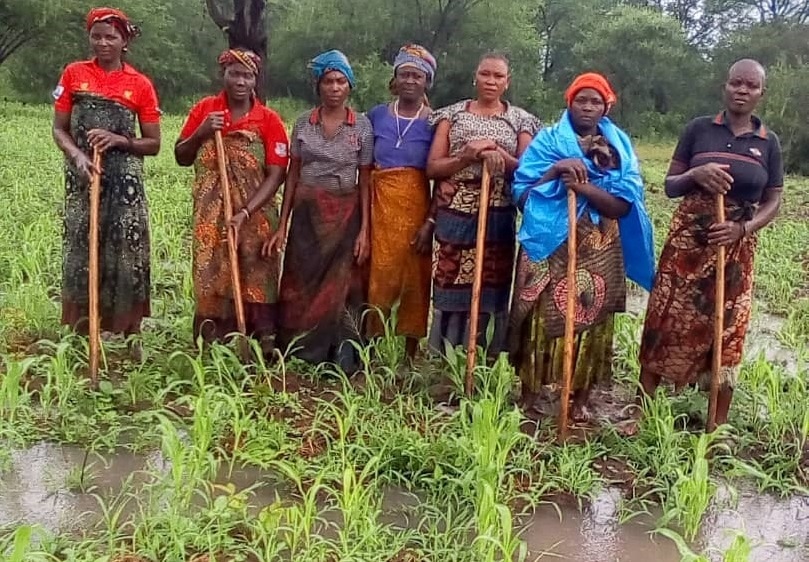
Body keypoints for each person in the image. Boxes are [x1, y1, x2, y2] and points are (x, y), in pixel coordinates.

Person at [636, 59, 783, 429]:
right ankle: (642, 407)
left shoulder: (768, 142)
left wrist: (743, 229)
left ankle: (716, 424)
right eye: (736, 83)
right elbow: (670, 186)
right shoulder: (698, 130)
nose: (742, 90)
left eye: (751, 86)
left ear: (761, 93)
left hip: (734, 248)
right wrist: (695, 174)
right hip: (687, 243)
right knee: (665, 317)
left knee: (727, 327)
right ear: (725, 86)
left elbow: (774, 200)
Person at [509, 73, 655, 422]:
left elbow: (622, 205)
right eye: (581, 100)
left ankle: (580, 398)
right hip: (548, 244)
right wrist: (557, 169)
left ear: (606, 106)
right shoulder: (547, 142)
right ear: (568, 102)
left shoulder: (617, 148)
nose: (587, 107)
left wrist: (585, 189)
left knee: (591, 316)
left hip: (597, 247)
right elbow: (522, 194)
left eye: (596, 101)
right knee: (538, 317)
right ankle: (531, 393)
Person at [52, 7, 161, 358]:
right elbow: (59, 128)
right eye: (96, 35)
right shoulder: (73, 74)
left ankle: (127, 330)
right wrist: (78, 156)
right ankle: (84, 327)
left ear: (124, 41)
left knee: (125, 252)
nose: (103, 43)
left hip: (124, 181)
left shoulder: (140, 84)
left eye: (111, 36)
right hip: (83, 177)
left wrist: (120, 140)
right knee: (82, 248)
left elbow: (153, 143)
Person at [265, 50, 373, 373]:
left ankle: (339, 356)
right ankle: (297, 349)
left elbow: (365, 180)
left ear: (349, 86)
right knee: (299, 280)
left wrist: (365, 230)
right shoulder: (302, 123)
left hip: (345, 213)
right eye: (328, 81)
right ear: (319, 86)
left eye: (341, 81)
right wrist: (283, 224)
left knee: (341, 284)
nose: (335, 88)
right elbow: (292, 175)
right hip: (306, 214)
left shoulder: (362, 127)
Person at [174, 49, 289, 351]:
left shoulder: (268, 119)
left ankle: (262, 336)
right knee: (212, 264)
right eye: (234, 73)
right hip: (211, 210)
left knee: (257, 265)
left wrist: (246, 212)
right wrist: (201, 133)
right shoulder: (205, 110)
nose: (240, 81)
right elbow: (181, 156)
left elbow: (277, 174)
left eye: (247, 75)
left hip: (256, 211)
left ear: (255, 80)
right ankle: (213, 335)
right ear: (222, 75)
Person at [425, 53, 539, 356]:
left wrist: (498, 153)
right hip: (455, 212)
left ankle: (483, 358)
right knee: (452, 281)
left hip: (498, 212)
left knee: (491, 283)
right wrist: (467, 156)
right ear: (475, 77)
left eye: (498, 76)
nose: (490, 81)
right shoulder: (452, 115)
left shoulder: (521, 120)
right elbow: (433, 168)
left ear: (507, 82)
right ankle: (447, 358)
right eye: (485, 74)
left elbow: (528, 170)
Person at [365, 44, 437, 360]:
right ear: (395, 79)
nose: (410, 80)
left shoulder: (436, 122)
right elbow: (365, 168)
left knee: (415, 280)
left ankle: (410, 352)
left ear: (427, 82)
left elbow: (440, 179)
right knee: (377, 274)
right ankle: (370, 348)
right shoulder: (376, 115)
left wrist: (430, 222)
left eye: (417, 76)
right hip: (378, 207)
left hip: (416, 209)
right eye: (404, 74)